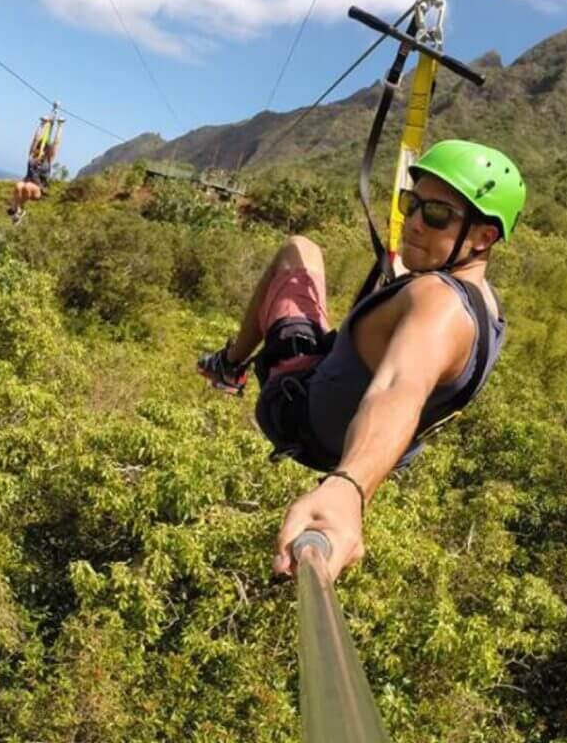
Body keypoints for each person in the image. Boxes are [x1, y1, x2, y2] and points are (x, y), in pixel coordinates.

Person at [197, 140, 525, 582]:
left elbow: (399, 386)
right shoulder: (489, 310)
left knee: (300, 249)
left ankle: (229, 365)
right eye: (412, 205)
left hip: (298, 415)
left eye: (436, 215)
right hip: (358, 446)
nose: (412, 223)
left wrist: (349, 488)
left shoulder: (437, 303)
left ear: (484, 237)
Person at [8, 114, 64, 224]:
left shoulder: (48, 159)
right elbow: (35, 139)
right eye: (38, 148)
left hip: (38, 190)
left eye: (42, 149)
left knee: (27, 186)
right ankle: (18, 211)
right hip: (26, 185)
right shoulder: (32, 156)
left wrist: (60, 126)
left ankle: (18, 210)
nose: (40, 150)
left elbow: (56, 143)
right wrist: (42, 124)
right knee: (19, 185)